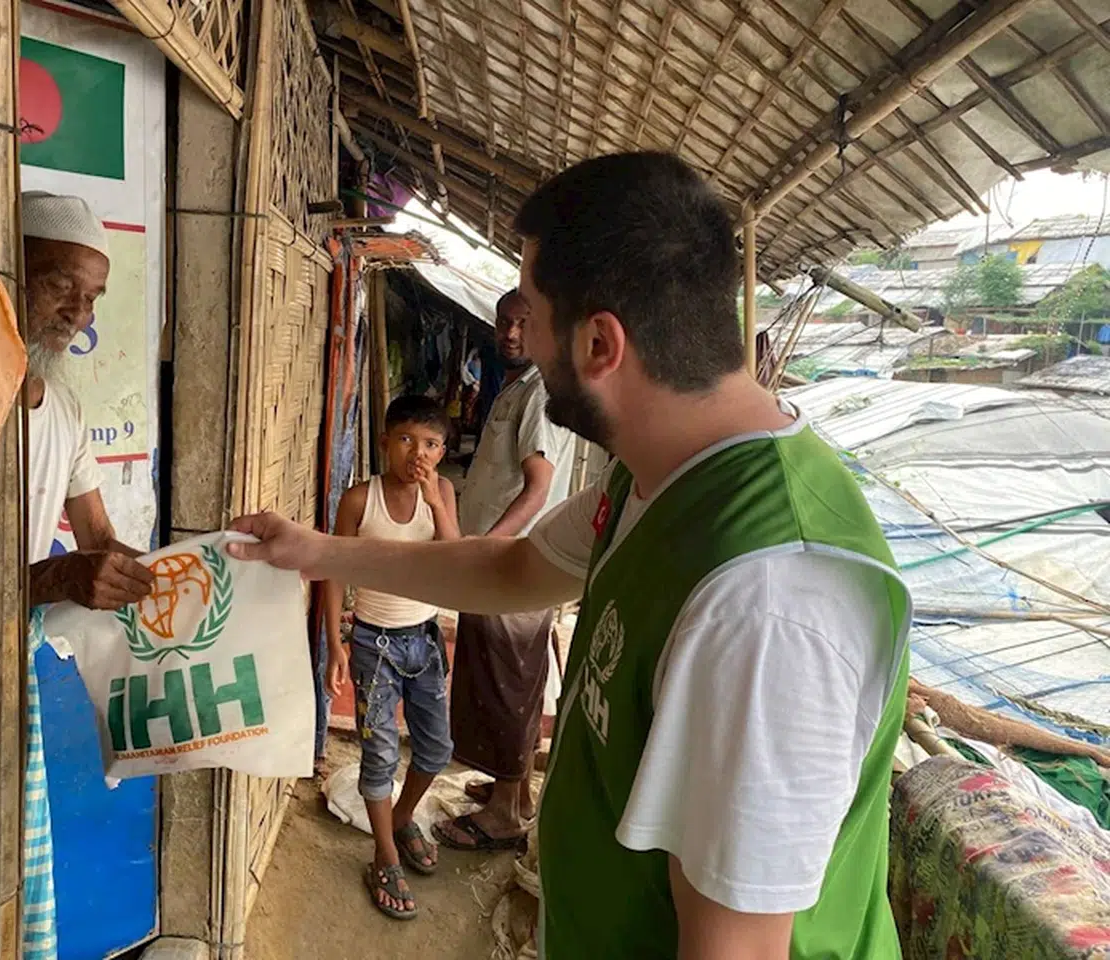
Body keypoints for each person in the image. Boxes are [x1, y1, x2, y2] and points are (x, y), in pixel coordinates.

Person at [228, 152, 911, 959]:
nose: (524, 341)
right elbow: (510, 570)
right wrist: (317, 551)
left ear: (598, 344)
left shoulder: (767, 599)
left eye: (535, 316)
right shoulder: (659, 480)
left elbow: (738, 948)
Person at [435, 289, 574, 852]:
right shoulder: (519, 387)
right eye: (503, 323)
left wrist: (487, 548)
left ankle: (502, 818)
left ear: (543, 328)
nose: (510, 333)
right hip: (511, 563)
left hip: (511, 566)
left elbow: (537, 488)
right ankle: (509, 794)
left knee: (506, 681)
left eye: (523, 323)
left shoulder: (539, 395)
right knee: (510, 677)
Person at [323, 395, 460, 920]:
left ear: (443, 451)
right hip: (373, 645)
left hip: (424, 641)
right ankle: (382, 854)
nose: (416, 453)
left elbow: (455, 559)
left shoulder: (441, 493)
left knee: (436, 748)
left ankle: (401, 821)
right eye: (405, 440)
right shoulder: (361, 500)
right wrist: (336, 641)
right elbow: (333, 568)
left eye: (429, 444)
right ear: (383, 443)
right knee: (379, 752)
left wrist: (436, 502)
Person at [19, 191, 153, 608]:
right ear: (11, 271)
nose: (77, 312)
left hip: (11, 649)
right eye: (60, 285)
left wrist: (205, 570)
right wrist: (54, 578)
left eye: (92, 297)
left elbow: (97, 541)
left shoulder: (64, 410)